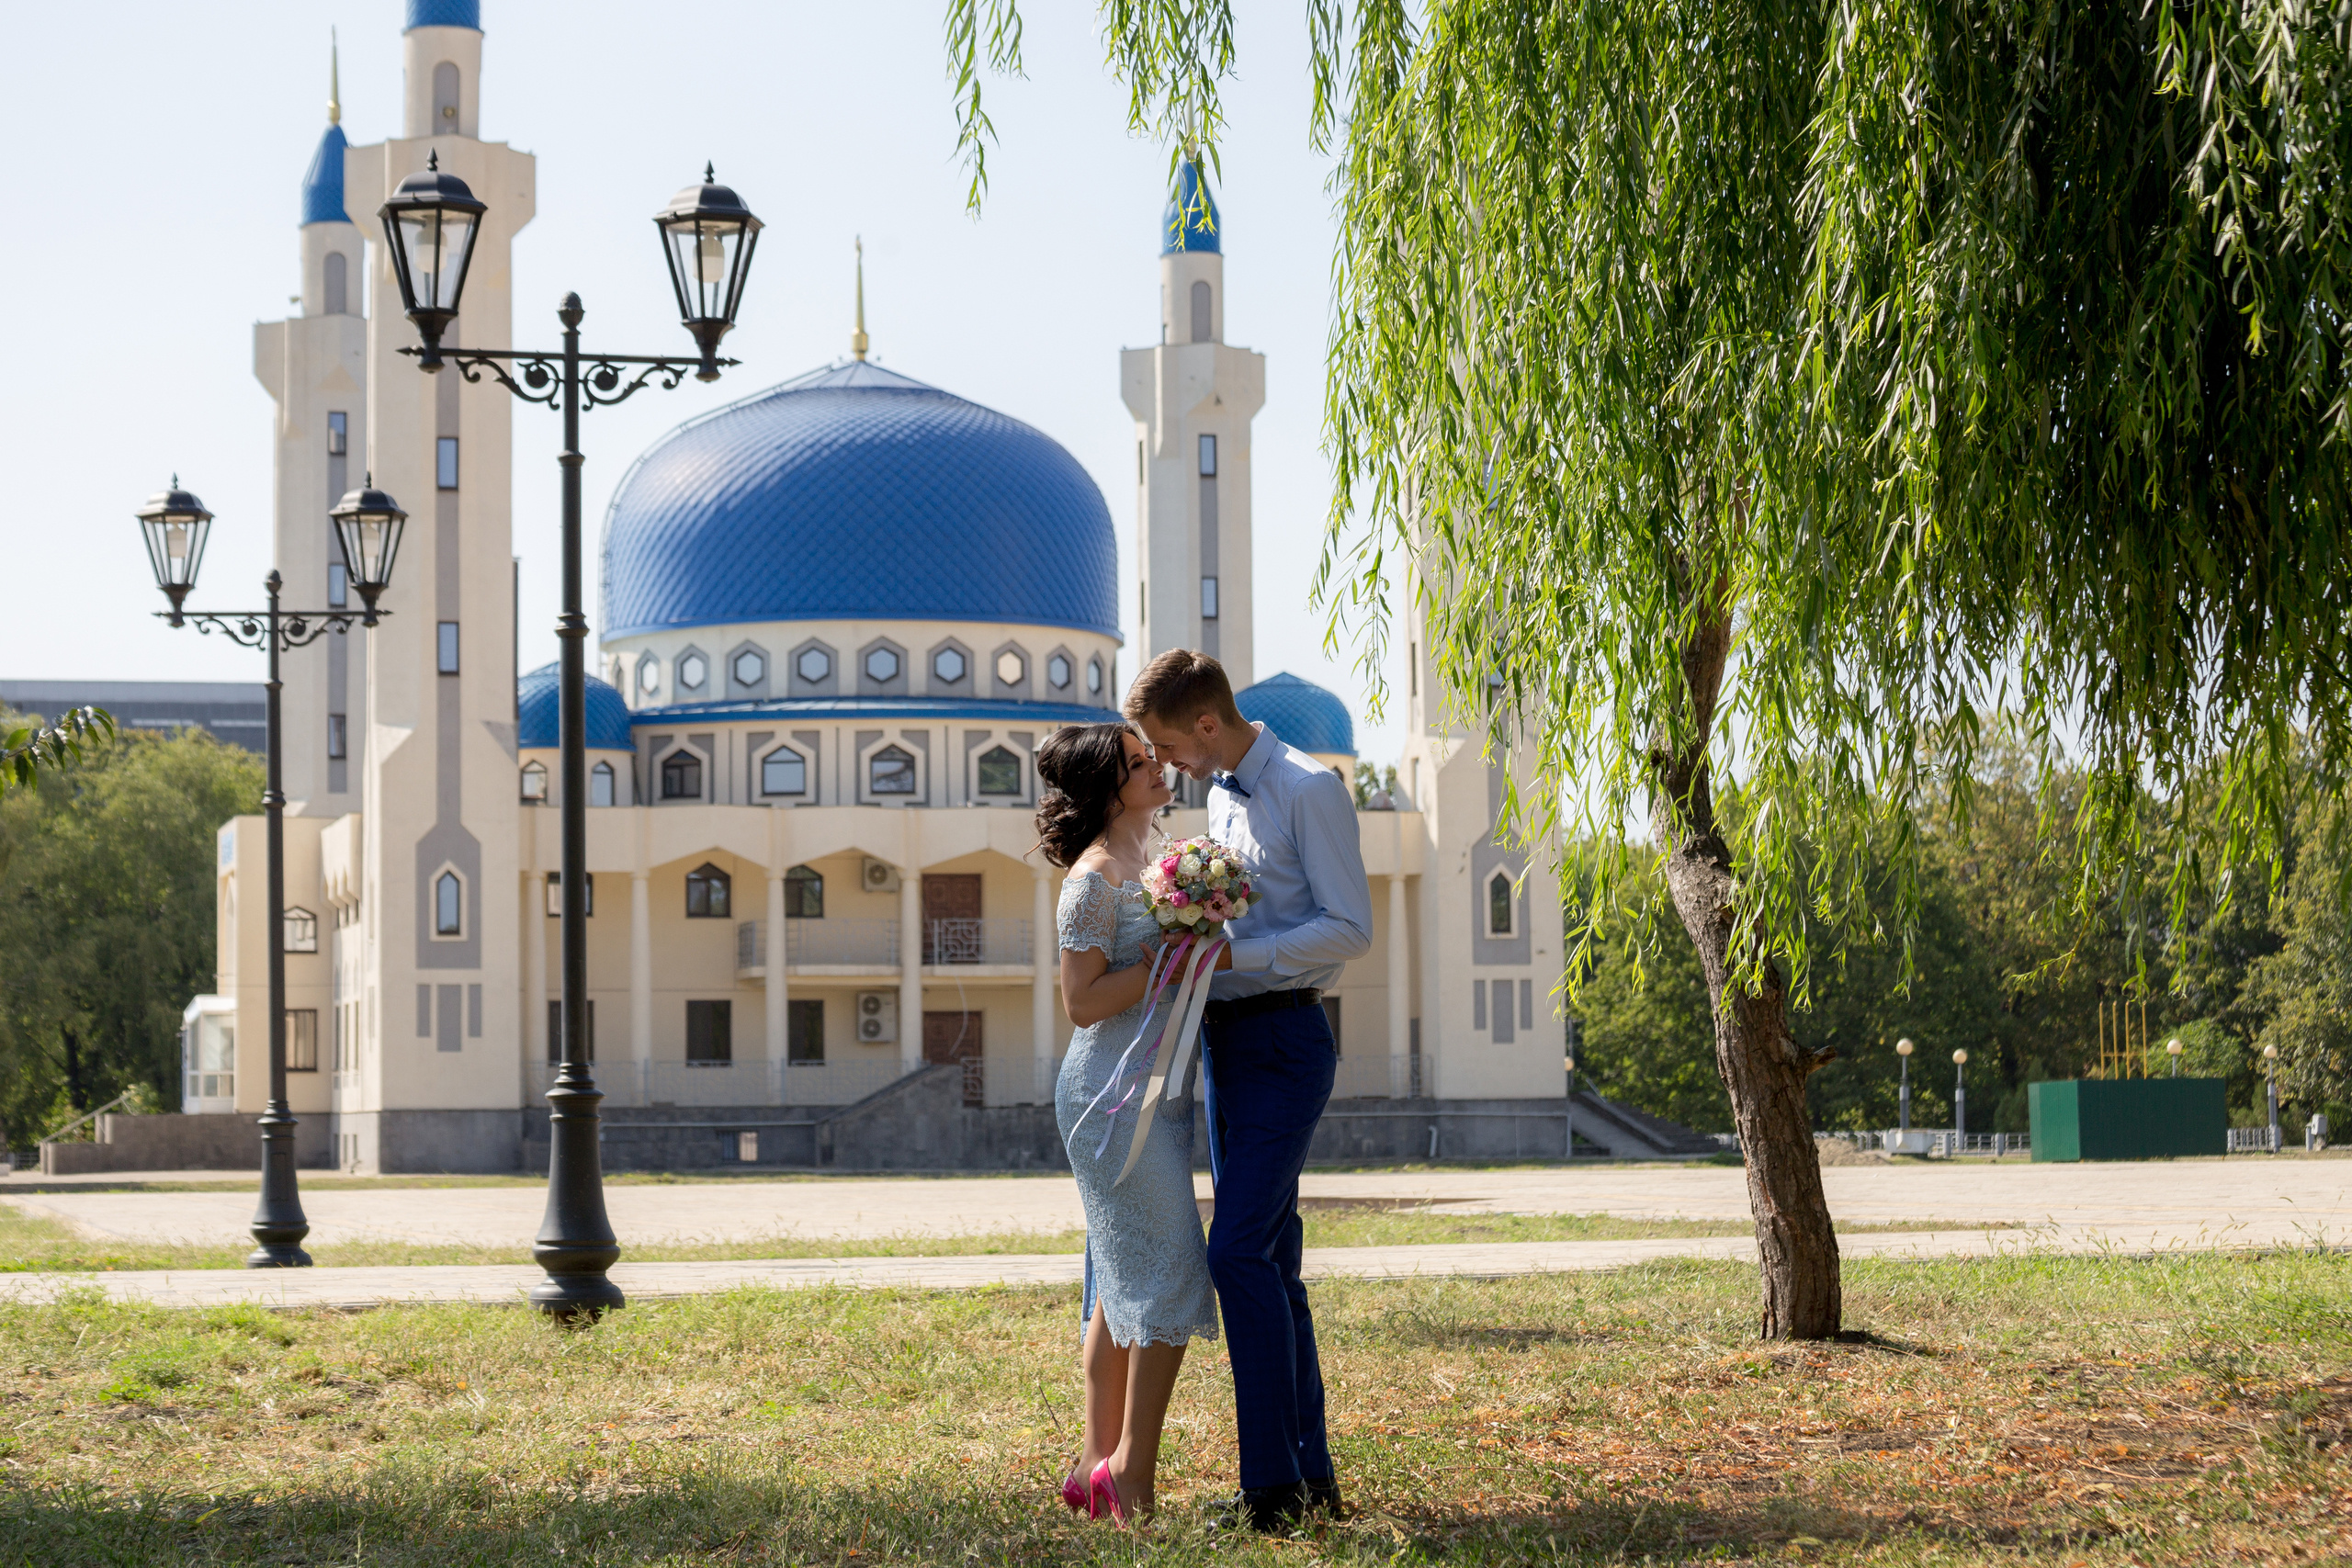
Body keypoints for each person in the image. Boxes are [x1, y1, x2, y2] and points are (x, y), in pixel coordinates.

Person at [1125, 650, 1374, 1532]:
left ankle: (1271, 1489)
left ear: (1204, 722)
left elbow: (1350, 927)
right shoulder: (1223, 794)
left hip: (1286, 1039)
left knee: (1235, 1254)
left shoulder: (1309, 789)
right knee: (1272, 1261)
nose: (1166, 766)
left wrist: (1236, 954)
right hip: (1227, 1041)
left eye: (1166, 745)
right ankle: (1309, 1481)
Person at [1036, 721, 1216, 1525]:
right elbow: (1080, 1003)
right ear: (1106, 788)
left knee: (1118, 1280)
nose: (1156, 771)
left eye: (1151, 759)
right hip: (1108, 1098)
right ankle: (1130, 1474)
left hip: (1161, 1091)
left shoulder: (1162, 858)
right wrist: (1161, 962)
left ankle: (1091, 1467)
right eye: (1137, 766)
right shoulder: (1096, 877)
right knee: (1172, 1267)